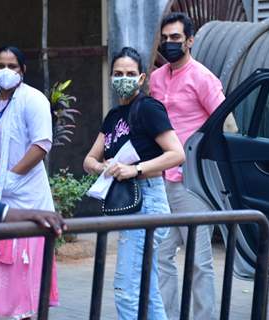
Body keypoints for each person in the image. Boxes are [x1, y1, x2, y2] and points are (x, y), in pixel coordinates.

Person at [84, 47, 185, 320]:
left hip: (149, 200)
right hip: (132, 203)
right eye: (118, 73)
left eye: (130, 74)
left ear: (142, 79)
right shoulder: (114, 116)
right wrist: (102, 166)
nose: (123, 78)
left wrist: (135, 169)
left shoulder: (149, 108)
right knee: (146, 288)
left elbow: (177, 154)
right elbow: (89, 159)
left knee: (126, 290)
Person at [149, 12, 237, 320]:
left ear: (190, 40)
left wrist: (221, 173)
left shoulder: (203, 77)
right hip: (162, 181)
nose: (170, 43)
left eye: (176, 38)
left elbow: (227, 124)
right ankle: (168, 315)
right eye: (165, 38)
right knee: (160, 254)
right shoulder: (156, 79)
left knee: (198, 262)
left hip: (193, 183)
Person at [0, 46, 57, 319]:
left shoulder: (33, 99)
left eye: (12, 65)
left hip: (24, 194)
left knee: (22, 267)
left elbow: (41, 144)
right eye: (0, 65)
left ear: (23, 70)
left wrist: (12, 177)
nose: (5, 71)